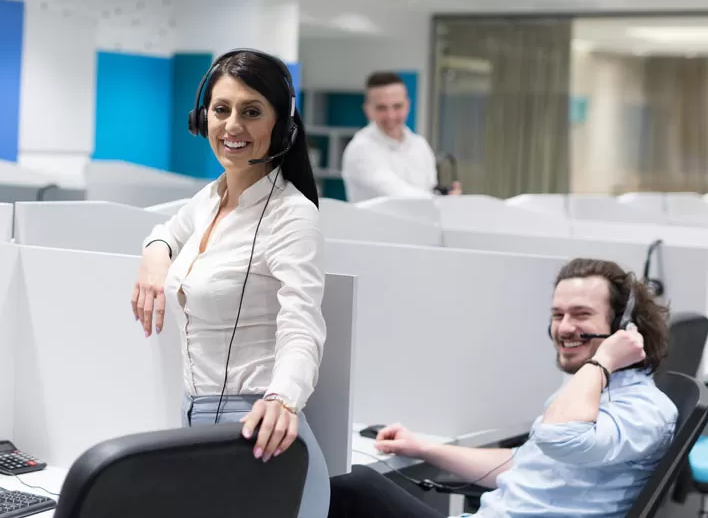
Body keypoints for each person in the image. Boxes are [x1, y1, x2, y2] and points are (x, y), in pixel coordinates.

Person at [132, 49, 329, 517]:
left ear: (281, 126)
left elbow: (303, 322)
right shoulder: (210, 198)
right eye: (221, 110)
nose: (232, 126)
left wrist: (284, 398)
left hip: (260, 430)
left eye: (251, 112)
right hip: (197, 424)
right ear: (202, 119)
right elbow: (164, 231)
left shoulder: (292, 215)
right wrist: (154, 258)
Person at [328, 257, 676, 518]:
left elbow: (561, 438)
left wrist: (601, 362)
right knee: (349, 483)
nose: (564, 328)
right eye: (558, 315)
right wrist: (424, 448)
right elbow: (522, 464)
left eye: (581, 314)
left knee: (348, 486)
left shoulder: (646, 410)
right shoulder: (586, 392)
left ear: (623, 327)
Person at [341, 72, 461, 202]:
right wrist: (443, 202)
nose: (391, 116)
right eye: (382, 108)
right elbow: (397, 195)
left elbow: (429, 190)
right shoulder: (360, 149)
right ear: (368, 110)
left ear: (407, 105)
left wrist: (446, 196)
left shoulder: (420, 145)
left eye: (397, 106)